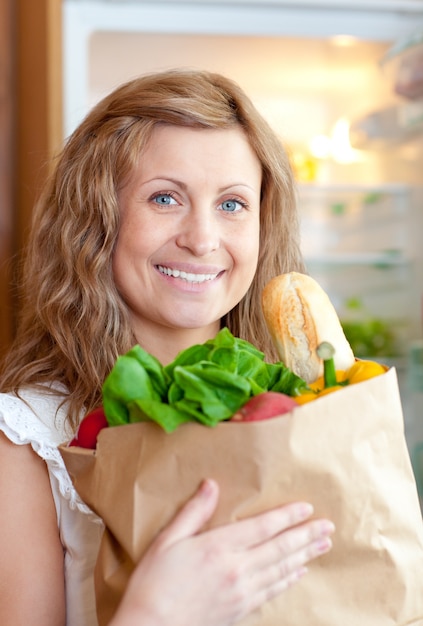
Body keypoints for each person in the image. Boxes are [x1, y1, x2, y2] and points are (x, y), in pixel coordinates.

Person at [0, 68, 335, 626]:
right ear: (97, 220)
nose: (202, 239)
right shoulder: (26, 440)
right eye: (164, 198)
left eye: (232, 205)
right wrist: (154, 613)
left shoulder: (305, 406)